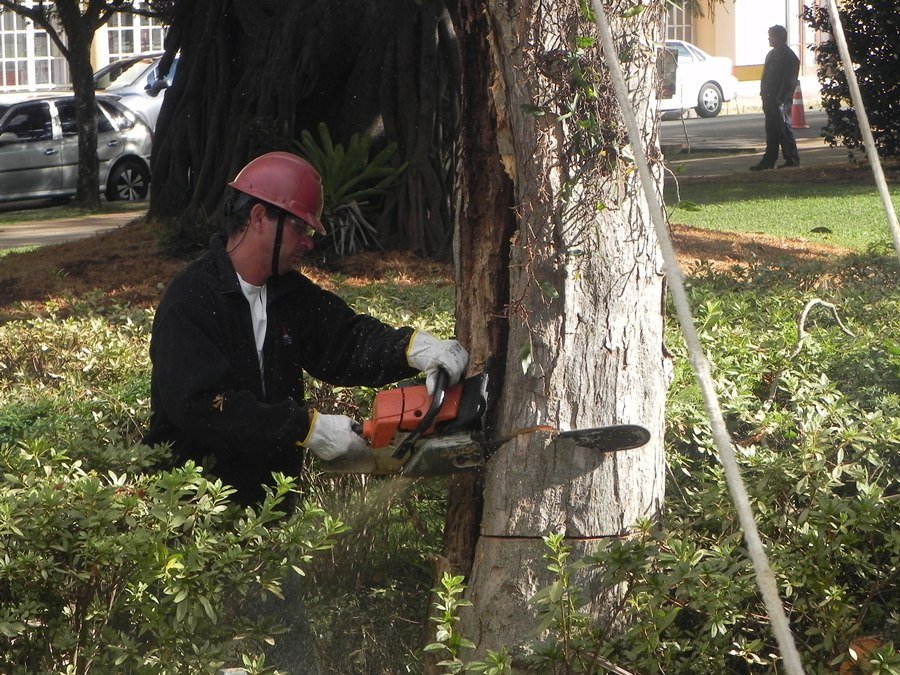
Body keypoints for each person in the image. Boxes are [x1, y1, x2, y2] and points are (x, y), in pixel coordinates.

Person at [144, 150, 468, 505]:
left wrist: (416, 349)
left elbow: (346, 340)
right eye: (299, 226)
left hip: (270, 509)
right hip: (195, 513)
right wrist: (306, 429)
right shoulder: (190, 300)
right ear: (259, 217)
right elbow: (201, 406)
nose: (309, 241)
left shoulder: (285, 292)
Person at [750, 25, 801, 171]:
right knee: (771, 131)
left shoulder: (789, 57)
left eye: (771, 35)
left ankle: (792, 159)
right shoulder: (771, 55)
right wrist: (763, 94)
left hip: (780, 101)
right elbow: (766, 76)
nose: (769, 38)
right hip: (769, 98)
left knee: (784, 130)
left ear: (779, 37)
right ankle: (769, 160)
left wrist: (782, 98)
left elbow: (789, 80)